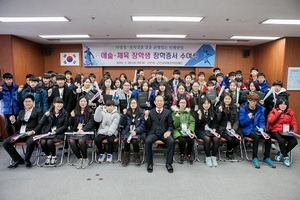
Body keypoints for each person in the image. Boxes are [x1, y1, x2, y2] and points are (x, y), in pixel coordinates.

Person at [3, 94, 43, 168]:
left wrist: (33, 131)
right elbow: (18, 125)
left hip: (33, 133)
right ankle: (18, 160)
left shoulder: (38, 111)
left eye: (29, 101)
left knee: (30, 142)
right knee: (5, 143)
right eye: (25, 101)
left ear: (33, 102)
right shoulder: (21, 112)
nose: (27, 103)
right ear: (23, 103)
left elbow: (40, 124)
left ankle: (27, 160)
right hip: (22, 133)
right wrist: (13, 121)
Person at [239, 93, 276, 169]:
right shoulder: (243, 108)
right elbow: (242, 123)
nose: (253, 103)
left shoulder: (260, 109)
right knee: (256, 137)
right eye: (252, 101)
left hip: (257, 129)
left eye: (255, 101)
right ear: (248, 100)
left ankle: (266, 157)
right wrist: (248, 118)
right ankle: (254, 158)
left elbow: (262, 121)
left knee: (268, 137)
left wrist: (262, 128)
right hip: (247, 129)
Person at [144, 95, 174, 173]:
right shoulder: (151, 112)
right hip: (153, 133)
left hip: (164, 133)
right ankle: (150, 163)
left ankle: (169, 164)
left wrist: (169, 131)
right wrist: (146, 117)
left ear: (163, 102)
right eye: (158, 101)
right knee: (147, 141)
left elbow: (171, 125)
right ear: (154, 102)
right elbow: (148, 126)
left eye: (161, 101)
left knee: (171, 142)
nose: (159, 102)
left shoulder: (168, 112)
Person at [267, 99, 298, 167]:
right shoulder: (273, 111)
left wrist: (292, 131)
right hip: (275, 131)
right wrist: (278, 113)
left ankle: (281, 153)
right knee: (282, 140)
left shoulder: (290, 112)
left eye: (285, 104)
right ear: (278, 105)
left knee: (294, 141)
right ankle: (285, 157)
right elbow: (270, 121)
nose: (283, 106)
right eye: (281, 104)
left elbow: (294, 124)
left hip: (286, 132)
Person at [39, 97, 69, 166]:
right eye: (58, 103)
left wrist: (56, 131)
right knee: (43, 142)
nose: (60, 105)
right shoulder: (48, 112)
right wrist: (45, 116)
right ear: (54, 104)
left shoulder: (65, 113)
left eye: (61, 103)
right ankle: (49, 156)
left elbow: (65, 126)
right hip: (48, 132)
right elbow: (41, 123)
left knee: (50, 142)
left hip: (59, 133)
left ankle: (54, 157)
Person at [69, 96, 95, 169]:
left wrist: (83, 130)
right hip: (77, 131)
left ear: (87, 103)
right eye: (81, 101)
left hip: (87, 132)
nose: (83, 103)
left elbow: (91, 123)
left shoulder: (91, 111)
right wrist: (72, 117)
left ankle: (85, 158)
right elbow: (70, 124)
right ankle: (80, 158)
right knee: (71, 141)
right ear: (78, 102)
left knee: (81, 141)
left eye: (84, 101)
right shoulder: (75, 111)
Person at [194, 97, 219, 167]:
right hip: (200, 130)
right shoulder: (197, 112)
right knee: (207, 138)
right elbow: (196, 125)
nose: (206, 105)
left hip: (210, 130)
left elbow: (215, 123)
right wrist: (199, 117)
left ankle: (214, 157)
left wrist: (214, 128)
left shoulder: (213, 112)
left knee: (216, 138)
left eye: (208, 103)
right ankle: (208, 157)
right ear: (201, 104)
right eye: (204, 103)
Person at [121, 98, 145, 166]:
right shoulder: (127, 112)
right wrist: (124, 115)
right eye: (132, 103)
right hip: (128, 131)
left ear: (137, 104)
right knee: (126, 140)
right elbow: (122, 124)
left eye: (134, 103)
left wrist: (136, 131)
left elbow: (142, 125)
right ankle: (126, 158)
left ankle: (137, 157)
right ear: (129, 104)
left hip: (138, 132)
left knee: (134, 140)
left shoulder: (141, 113)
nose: (133, 104)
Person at [216, 92, 241, 160]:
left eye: (229, 99)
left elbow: (236, 120)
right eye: (226, 99)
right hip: (223, 128)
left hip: (232, 127)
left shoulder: (234, 107)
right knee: (229, 139)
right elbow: (217, 120)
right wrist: (220, 112)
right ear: (223, 99)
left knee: (237, 139)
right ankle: (229, 152)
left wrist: (234, 129)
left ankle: (230, 149)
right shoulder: (219, 107)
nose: (227, 100)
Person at [171, 98, 195, 164]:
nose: (183, 104)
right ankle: (182, 154)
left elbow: (192, 122)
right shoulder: (174, 113)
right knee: (182, 140)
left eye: (184, 103)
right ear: (178, 103)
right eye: (181, 102)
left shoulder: (188, 113)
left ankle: (189, 154)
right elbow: (175, 125)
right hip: (178, 130)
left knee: (191, 139)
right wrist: (177, 118)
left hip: (187, 130)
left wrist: (190, 129)